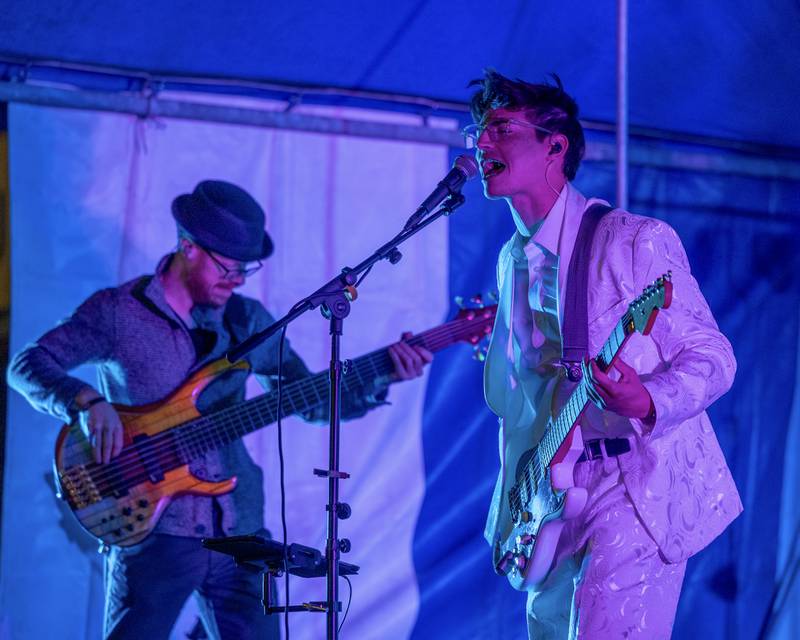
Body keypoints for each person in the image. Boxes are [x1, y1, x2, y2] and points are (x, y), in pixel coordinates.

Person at [7, 179, 433, 639]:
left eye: (245, 271)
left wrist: (383, 372)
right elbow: (26, 364)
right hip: (152, 526)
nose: (237, 280)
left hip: (239, 529)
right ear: (188, 248)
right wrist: (84, 402)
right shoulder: (118, 312)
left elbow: (309, 399)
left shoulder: (246, 320)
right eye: (229, 268)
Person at [467, 71, 742, 639]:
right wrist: (514, 502)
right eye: (477, 131)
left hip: (634, 481)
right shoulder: (510, 260)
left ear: (554, 146)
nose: (481, 142)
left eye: (499, 128)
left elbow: (714, 356)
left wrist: (649, 397)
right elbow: (521, 405)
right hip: (552, 494)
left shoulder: (633, 239)